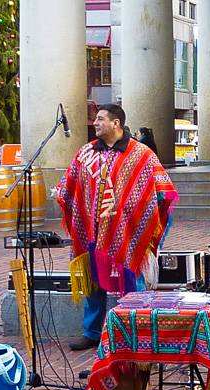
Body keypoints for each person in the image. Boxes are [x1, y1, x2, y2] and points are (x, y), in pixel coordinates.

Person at [55, 104, 178, 350]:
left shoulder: (141, 154)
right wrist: (64, 196)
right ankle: (92, 332)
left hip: (129, 234)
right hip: (93, 229)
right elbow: (68, 185)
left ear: (116, 123)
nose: (96, 123)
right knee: (94, 280)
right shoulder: (86, 153)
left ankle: (137, 331)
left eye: (100, 119)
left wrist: (148, 228)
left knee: (134, 281)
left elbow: (163, 192)